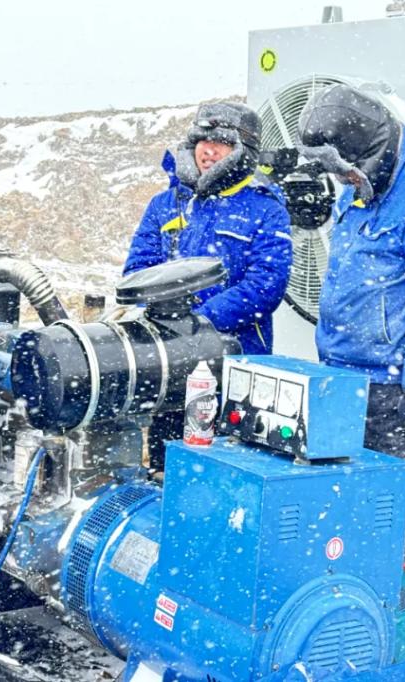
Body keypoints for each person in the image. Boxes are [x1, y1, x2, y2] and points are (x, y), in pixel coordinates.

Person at [296, 84, 405, 620]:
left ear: (370, 153)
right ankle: (350, 602)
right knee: (345, 496)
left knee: (404, 504)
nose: (345, 184)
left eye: (348, 174)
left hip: (394, 383)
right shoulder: (360, 181)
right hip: (341, 372)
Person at [124, 101, 293, 470]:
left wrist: (201, 322)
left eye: (223, 143)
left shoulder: (265, 209)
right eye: (203, 140)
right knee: (168, 465)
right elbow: (138, 270)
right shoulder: (165, 204)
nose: (209, 151)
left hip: (235, 365)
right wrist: (167, 323)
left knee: (225, 468)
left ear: (243, 151)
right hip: (170, 364)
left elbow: (266, 285)